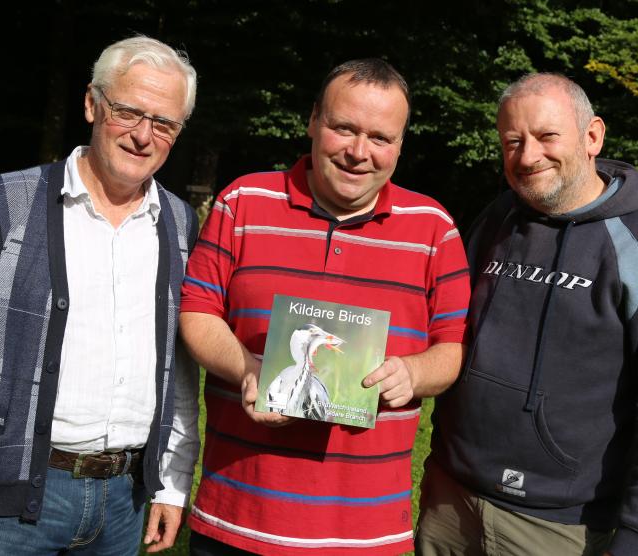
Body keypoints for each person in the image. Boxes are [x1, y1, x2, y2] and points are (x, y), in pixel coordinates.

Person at [0, 36, 201, 555]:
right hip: (4, 509)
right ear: (92, 104)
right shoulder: (2, 206)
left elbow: (177, 368)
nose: (143, 135)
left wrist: (173, 479)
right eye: (128, 111)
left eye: (163, 123)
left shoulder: (181, 225)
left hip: (123, 503)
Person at [179, 58, 471, 555]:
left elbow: (452, 350)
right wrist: (247, 368)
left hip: (364, 531)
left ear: (400, 144)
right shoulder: (243, 201)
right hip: (240, 515)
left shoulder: (434, 229)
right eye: (344, 129)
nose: (360, 152)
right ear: (314, 121)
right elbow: (197, 311)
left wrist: (413, 374)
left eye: (381, 138)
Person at [416, 72, 638, 556]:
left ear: (592, 136)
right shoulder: (496, 220)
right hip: (451, 500)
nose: (527, 156)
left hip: (559, 527)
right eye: (512, 141)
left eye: (546, 136)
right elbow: (446, 329)